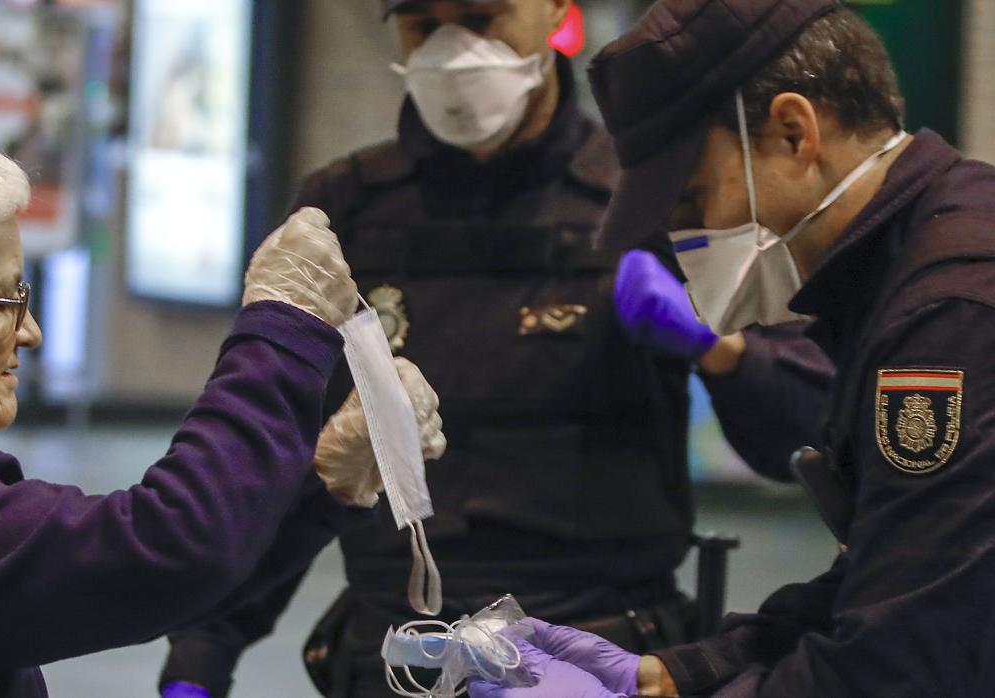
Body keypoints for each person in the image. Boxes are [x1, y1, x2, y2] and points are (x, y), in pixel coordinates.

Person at [159, 1, 833, 696]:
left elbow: (806, 429)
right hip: (398, 657)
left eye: (483, 19)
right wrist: (203, 651)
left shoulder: (658, 196)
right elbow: (292, 461)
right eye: (425, 25)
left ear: (554, 14)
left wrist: (716, 348)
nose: (455, 50)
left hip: (598, 659)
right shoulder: (344, 211)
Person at [0, 114, 446, 697]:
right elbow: (168, 551)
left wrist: (323, 481)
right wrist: (284, 326)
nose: (29, 331)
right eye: (3, 300)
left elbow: (137, 579)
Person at [470, 0, 995, 696]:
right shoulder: (906, 266)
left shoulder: (946, 315)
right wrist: (679, 673)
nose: (684, 240)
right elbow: (889, 569)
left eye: (689, 202)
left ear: (792, 132)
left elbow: (903, 657)